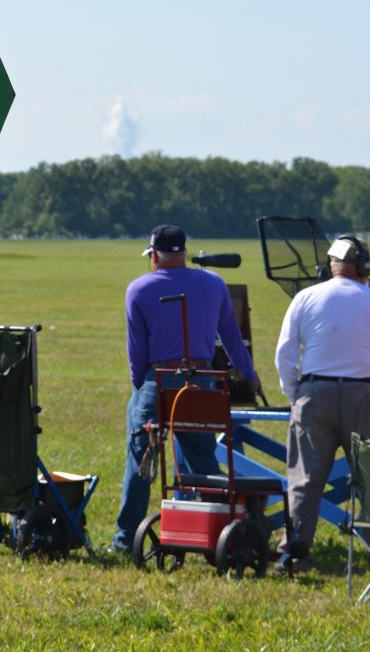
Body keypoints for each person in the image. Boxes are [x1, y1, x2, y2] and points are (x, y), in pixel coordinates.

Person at [273, 234, 370, 573]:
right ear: (364, 266)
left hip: (314, 395)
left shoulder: (304, 297)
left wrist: (295, 393)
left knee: (305, 479)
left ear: (331, 265)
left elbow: (284, 354)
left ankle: (294, 552)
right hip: (365, 398)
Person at [111, 224, 261, 554]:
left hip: (158, 380)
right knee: (202, 460)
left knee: (141, 462)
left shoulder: (138, 289)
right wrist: (250, 375)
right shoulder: (214, 283)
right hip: (203, 381)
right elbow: (231, 338)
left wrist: (141, 388)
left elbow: (136, 353)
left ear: (153, 256)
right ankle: (218, 534)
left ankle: (124, 541)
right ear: (183, 252)